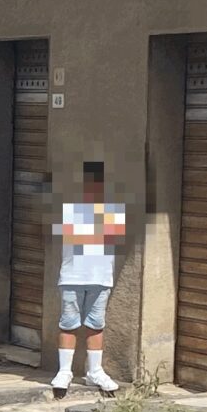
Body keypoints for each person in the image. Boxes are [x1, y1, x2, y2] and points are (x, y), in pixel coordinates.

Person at [51, 162, 128, 395]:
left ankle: (95, 371)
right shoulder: (67, 209)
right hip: (72, 276)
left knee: (96, 326)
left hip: (101, 278)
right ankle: (64, 372)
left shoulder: (113, 210)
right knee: (69, 325)